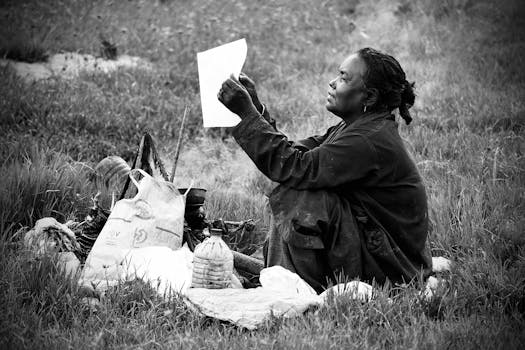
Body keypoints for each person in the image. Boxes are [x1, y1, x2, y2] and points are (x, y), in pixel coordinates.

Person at [218, 47, 432, 293]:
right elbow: (293, 155)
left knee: (301, 194)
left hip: (392, 270)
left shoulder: (367, 140)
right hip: (378, 251)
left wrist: (246, 113)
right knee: (299, 184)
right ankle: (284, 277)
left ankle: (291, 288)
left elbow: (293, 167)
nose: (332, 83)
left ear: (370, 97)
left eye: (343, 78)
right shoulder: (356, 129)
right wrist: (256, 110)